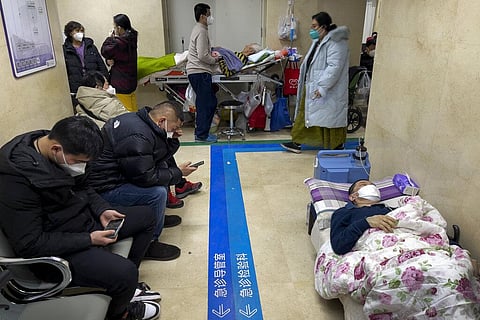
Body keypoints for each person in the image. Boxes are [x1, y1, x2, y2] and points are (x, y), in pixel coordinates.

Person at [0, 116, 161, 320]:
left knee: (146, 216)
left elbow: (83, 185)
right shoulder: (16, 180)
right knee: (126, 273)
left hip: (82, 221)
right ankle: (120, 313)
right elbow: (30, 243)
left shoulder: (56, 145)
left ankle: (121, 288)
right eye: (79, 162)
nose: (81, 167)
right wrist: (89, 239)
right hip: (58, 248)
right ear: (56, 149)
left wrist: (102, 209)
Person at [87, 101, 200, 261]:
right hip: (106, 188)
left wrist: (171, 138)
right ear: (162, 121)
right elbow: (146, 177)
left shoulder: (140, 121)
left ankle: (157, 216)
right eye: (174, 128)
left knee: (161, 170)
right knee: (158, 193)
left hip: (118, 175)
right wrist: (179, 173)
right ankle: (150, 242)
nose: (175, 131)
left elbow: (157, 157)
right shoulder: (138, 136)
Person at [281, 12, 349, 153]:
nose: (311, 29)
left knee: (330, 118)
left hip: (328, 88)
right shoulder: (319, 41)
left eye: (314, 26)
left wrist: (322, 87)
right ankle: (297, 142)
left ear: (323, 27)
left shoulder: (337, 43)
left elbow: (334, 67)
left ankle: (336, 145)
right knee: (307, 115)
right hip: (313, 84)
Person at [330, 179, 398, 255]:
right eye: (363, 185)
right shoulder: (343, 212)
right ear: (353, 197)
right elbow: (338, 246)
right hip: (374, 251)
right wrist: (366, 222)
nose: (370, 187)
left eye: (373, 186)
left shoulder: (391, 209)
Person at [186, 3, 222, 143]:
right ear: (202, 16)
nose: (210, 17)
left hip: (198, 71)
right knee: (205, 104)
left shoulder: (200, 29)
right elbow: (202, 55)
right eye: (209, 14)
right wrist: (215, 59)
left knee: (209, 102)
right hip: (199, 71)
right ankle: (201, 135)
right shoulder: (201, 31)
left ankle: (202, 133)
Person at [62, 21, 109, 108]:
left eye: (82, 30)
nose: (80, 33)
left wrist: (105, 79)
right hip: (77, 87)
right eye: (77, 31)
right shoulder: (65, 50)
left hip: (94, 85)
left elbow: (100, 64)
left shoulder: (90, 46)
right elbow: (65, 71)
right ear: (70, 33)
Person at [101, 14, 139, 112]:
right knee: (133, 109)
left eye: (114, 27)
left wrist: (110, 38)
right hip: (130, 82)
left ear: (119, 28)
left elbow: (105, 51)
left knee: (126, 113)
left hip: (121, 83)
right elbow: (117, 56)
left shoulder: (119, 42)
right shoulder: (132, 38)